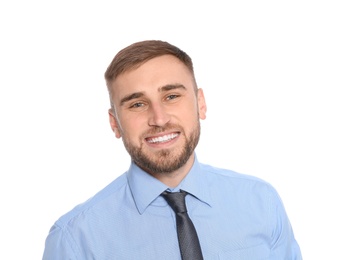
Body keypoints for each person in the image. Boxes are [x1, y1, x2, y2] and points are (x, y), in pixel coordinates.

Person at [42, 40, 302, 259]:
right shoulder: (75, 239)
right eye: (137, 104)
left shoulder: (261, 202)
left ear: (200, 103)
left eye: (171, 96)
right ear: (115, 123)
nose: (159, 118)